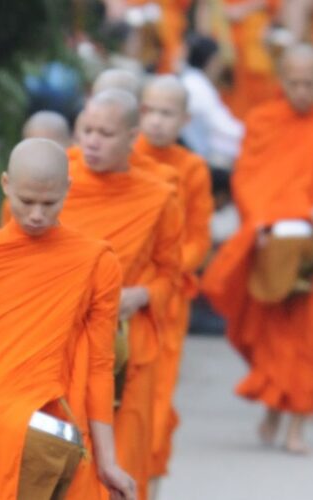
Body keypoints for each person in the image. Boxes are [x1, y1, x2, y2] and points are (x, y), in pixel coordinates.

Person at [0, 138, 135, 500]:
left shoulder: (95, 261)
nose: (36, 214)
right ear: (6, 185)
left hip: (55, 417)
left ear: (68, 188)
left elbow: (99, 364)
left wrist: (108, 460)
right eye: (25, 201)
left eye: (49, 203)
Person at [202, 44, 313, 453]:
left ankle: (296, 428)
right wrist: (263, 223)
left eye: (310, 82)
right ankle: (273, 410)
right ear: (281, 81)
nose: (302, 90)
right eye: (294, 82)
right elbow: (248, 179)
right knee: (269, 333)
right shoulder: (262, 121)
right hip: (270, 240)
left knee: (311, 336)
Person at [61, 89, 182, 499]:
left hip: (127, 344)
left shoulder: (157, 196)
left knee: (124, 461)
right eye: (87, 130)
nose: (92, 141)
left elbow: (171, 273)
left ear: (133, 136)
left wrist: (143, 295)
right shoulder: (56, 183)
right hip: (63, 343)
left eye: (106, 133)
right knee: (70, 459)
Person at [135, 74, 214, 477]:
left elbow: (199, 238)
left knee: (158, 391)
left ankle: (148, 471)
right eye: (149, 111)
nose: (157, 121)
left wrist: (165, 268)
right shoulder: (125, 156)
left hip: (167, 297)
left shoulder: (193, 168)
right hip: (122, 291)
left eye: (168, 113)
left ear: (184, 119)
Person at [180, 34, 245, 169]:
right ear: (212, 61)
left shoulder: (196, 83)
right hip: (206, 156)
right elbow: (223, 127)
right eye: (219, 61)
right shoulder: (196, 87)